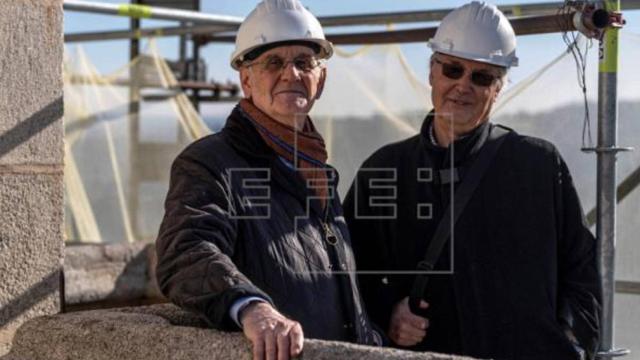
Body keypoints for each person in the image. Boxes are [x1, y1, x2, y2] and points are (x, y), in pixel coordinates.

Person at [343, 2, 602, 360]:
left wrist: (571, 343)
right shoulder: (383, 171)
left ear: (498, 87)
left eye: (481, 77)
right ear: (432, 71)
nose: (462, 86)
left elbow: (582, 269)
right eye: (453, 69)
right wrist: (386, 313)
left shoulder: (539, 165)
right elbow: (348, 274)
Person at [155, 1, 379, 359]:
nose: (290, 74)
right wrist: (251, 307)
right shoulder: (209, 163)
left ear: (320, 80)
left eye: (304, 63)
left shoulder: (317, 170)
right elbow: (185, 251)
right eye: (273, 63)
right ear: (246, 80)